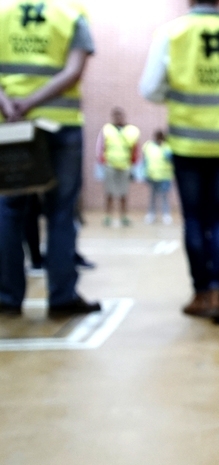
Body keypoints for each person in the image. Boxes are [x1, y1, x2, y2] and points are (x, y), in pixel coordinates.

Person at [139, 0, 219, 324]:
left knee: (195, 219)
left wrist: (178, 91)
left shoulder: (172, 33)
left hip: (188, 143)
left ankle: (200, 293)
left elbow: (149, 89)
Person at [0, 0, 101, 318]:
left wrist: (10, 104)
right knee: (61, 212)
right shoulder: (73, 16)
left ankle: (6, 297)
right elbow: (73, 72)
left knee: (8, 210)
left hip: (11, 125)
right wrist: (33, 102)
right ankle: (62, 297)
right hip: (61, 125)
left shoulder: (3, 14)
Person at [96, 107, 140, 227]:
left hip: (125, 166)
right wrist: (101, 163)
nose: (118, 118)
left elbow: (135, 148)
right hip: (110, 165)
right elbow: (100, 147)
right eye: (116, 116)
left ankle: (124, 216)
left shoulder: (132, 130)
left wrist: (134, 164)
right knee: (109, 193)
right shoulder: (106, 129)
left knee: (123, 193)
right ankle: (108, 216)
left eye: (120, 115)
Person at [141, 129, 174, 225]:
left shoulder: (167, 147)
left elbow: (171, 160)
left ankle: (166, 214)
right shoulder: (148, 146)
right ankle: (151, 214)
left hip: (164, 176)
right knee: (152, 196)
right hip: (152, 176)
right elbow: (145, 161)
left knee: (164, 197)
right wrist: (144, 173)